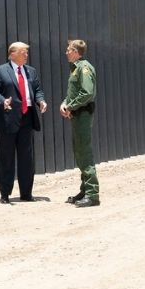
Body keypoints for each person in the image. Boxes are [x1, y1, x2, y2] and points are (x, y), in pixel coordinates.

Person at [0, 41, 47, 204]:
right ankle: (5, 194)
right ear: (13, 54)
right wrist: (2, 101)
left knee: (26, 158)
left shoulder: (31, 71)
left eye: (27, 52)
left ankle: (26, 193)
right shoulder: (0, 71)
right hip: (7, 118)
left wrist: (41, 101)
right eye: (24, 52)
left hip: (27, 117)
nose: (27, 55)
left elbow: (37, 90)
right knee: (6, 157)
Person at [60, 39, 99, 207]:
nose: (66, 52)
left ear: (76, 51)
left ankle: (92, 195)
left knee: (84, 152)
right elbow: (75, 92)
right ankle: (84, 191)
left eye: (69, 49)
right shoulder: (76, 68)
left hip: (82, 114)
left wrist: (70, 105)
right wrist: (65, 103)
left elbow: (87, 93)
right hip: (77, 114)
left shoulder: (83, 68)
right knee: (79, 152)